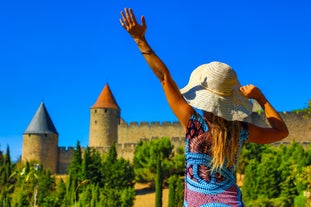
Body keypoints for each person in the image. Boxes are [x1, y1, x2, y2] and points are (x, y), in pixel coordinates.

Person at [120, 8, 289, 207]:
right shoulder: (240, 132)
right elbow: (281, 132)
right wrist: (260, 98)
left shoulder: (195, 126)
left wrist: (140, 40)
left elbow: (165, 78)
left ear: (204, 99)